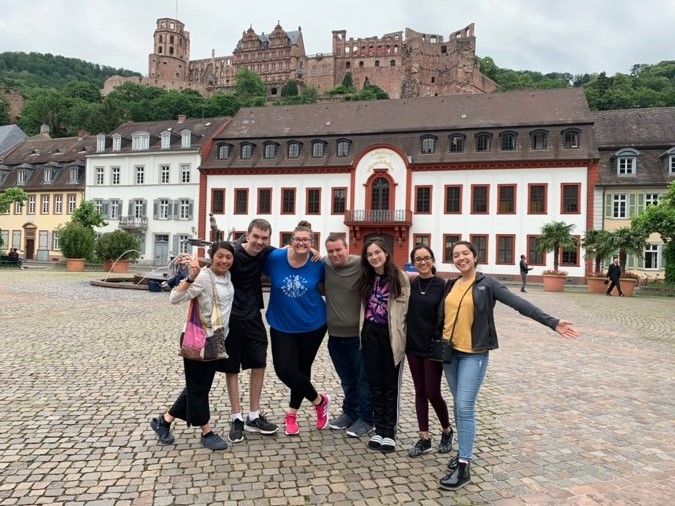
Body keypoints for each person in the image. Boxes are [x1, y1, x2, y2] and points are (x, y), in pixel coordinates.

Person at [437, 241, 579, 490]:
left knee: (464, 407)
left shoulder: (487, 283)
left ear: (474, 256)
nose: (461, 258)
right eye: (456, 255)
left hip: (474, 354)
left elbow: (519, 304)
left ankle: (463, 465)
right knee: (458, 405)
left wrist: (552, 322)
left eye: (465, 254)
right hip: (450, 354)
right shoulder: (452, 283)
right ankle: (462, 451)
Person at [150, 241, 236, 450]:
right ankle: (206, 432)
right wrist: (190, 277)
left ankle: (165, 420)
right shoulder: (204, 277)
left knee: (198, 385)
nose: (224, 260)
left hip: (216, 338)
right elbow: (175, 298)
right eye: (220, 256)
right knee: (199, 387)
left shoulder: (227, 276)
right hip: (198, 338)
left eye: (228, 257)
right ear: (212, 256)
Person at [264, 221, 330, 436]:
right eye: (298, 239)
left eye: (306, 240)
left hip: (313, 324)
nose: (302, 243)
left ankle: (292, 414)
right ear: (291, 241)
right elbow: (251, 262)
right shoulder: (275, 258)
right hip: (282, 324)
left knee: (302, 369)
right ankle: (319, 401)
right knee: (284, 370)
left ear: (312, 242)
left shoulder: (318, 263)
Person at [219, 219, 279, 443]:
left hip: (253, 315)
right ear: (247, 235)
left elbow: (288, 252)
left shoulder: (266, 252)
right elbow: (214, 269)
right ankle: (236, 417)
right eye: (256, 237)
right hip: (231, 318)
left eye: (264, 238)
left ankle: (254, 415)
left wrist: (311, 249)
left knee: (259, 363)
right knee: (231, 367)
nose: (259, 242)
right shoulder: (232, 253)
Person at [359, 237, 410, 453]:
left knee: (390, 385)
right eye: (370, 254)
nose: (374, 257)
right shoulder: (366, 277)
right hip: (370, 333)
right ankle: (379, 428)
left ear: (386, 253)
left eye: (377, 252)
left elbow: (407, 311)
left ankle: (390, 431)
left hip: (391, 335)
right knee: (375, 384)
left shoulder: (400, 277)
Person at [323, 234, 374, 438]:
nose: (335, 254)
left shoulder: (362, 263)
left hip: (358, 336)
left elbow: (390, 271)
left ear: (347, 248)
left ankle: (367, 418)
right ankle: (350, 412)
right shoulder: (325, 264)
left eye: (338, 250)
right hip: (335, 336)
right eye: (330, 251)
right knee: (347, 379)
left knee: (363, 379)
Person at [405, 245, 453, 458]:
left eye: (426, 258)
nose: (422, 262)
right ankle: (424, 437)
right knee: (419, 391)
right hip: (413, 344)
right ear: (413, 262)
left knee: (433, 391)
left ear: (433, 260)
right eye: (418, 259)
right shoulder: (411, 283)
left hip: (434, 345)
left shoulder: (443, 285)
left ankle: (446, 430)